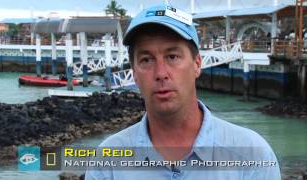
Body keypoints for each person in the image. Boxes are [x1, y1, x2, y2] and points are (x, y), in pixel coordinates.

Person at [86, 4, 280, 180]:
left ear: (197, 64)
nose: (161, 73)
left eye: (172, 56)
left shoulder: (252, 155)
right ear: (134, 72)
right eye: (146, 60)